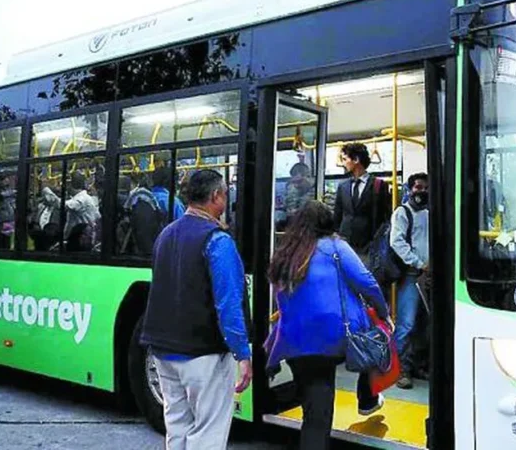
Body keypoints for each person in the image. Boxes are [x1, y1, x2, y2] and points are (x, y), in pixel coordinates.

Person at [266, 200, 393, 450]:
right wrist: (383, 311)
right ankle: (367, 399)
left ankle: (362, 398)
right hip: (328, 338)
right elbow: (365, 281)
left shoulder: (285, 253)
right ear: (328, 223)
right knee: (318, 415)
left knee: (312, 405)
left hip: (293, 340)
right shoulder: (336, 246)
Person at [140, 169, 252, 450]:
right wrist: (242, 353)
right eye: (225, 193)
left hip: (163, 351)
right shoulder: (217, 240)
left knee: (176, 426)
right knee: (208, 433)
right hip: (203, 354)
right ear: (216, 196)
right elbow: (229, 303)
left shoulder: (166, 234)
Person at [389, 173, 429, 389]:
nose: (421, 192)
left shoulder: (431, 212)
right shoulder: (403, 212)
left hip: (431, 276)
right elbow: (397, 242)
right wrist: (418, 262)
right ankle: (400, 369)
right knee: (406, 324)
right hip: (413, 275)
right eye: (418, 187)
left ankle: (418, 366)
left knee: (425, 325)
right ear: (409, 189)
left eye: (425, 188)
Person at [333, 143, 391, 261]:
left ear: (356, 160)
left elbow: (386, 217)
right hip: (344, 244)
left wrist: (377, 241)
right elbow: (337, 215)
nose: (343, 163)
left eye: (345, 159)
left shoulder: (379, 185)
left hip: (368, 246)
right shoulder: (342, 186)